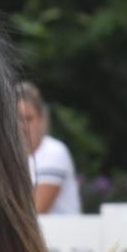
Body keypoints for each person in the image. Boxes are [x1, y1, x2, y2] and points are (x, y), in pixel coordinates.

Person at [16, 81, 81, 214]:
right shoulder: (12, 158)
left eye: (28, 119)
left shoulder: (54, 153)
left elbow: (35, 211)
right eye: (17, 119)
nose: (23, 126)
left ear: (41, 119)